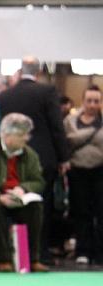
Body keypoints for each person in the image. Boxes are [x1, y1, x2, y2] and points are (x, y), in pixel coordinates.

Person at [0, 56, 71, 264]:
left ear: (21, 71)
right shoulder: (47, 92)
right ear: (38, 73)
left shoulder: (5, 96)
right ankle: (39, 255)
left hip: (12, 157)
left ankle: (16, 253)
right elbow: (57, 127)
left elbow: (1, 128)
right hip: (44, 158)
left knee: (15, 203)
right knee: (41, 207)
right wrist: (63, 157)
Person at [0, 113, 48, 272]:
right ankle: (3, 259)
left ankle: (33, 259)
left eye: (27, 134)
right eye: (22, 134)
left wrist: (23, 189)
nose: (26, 138)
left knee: (35, 206)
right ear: (7, 135)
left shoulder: (29, 154)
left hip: (18, 197)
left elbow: (39, 181)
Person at [64, 85, 103, 265]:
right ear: (83, 101)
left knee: (100, 212)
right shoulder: (70, 121)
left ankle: (99, 252)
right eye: (89, 100)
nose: (92, 104)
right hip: (77, 172)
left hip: (100, 172)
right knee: (81, 212)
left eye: (96, 101)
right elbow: (67, 143)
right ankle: (83, 250)